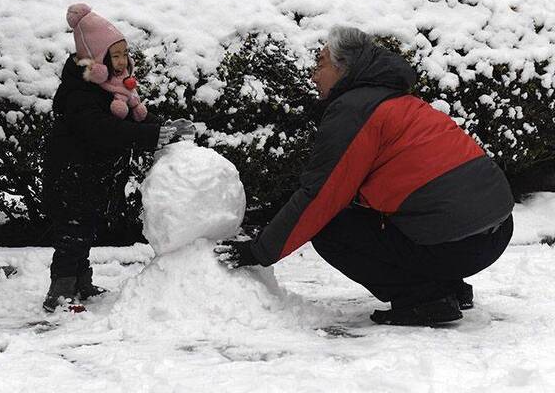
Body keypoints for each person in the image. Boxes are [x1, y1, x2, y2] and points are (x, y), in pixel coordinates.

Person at [215, 26, 514, 326]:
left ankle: (424, 298)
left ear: (345, 68)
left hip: (457, 243)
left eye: (320, 65)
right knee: (376, 213)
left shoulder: (354, 110)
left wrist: (259, 251)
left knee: (331, 229)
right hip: (495, 232)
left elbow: (321, 196)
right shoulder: (396, 102)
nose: (313, 76)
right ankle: (448, 287)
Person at [43, 3, 193, 312]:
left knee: (83, 231)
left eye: (125, 53)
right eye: (115, 55)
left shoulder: (111, 88)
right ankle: (60, 291)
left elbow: (137, 120)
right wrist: (152, 137)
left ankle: (80, 283)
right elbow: (104, 131)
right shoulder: (78, 92)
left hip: (90, 177)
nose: (123, 61)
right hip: (71, 177)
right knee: (72, 235)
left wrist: (165, 128)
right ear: (97, 59)